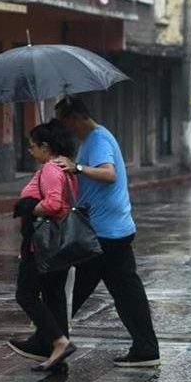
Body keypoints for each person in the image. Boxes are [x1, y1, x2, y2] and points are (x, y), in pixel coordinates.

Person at [54, 96, 160, 367]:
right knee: (127, 292)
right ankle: (146, 350)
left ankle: (50, 340)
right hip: (115, 229)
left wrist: (76, 167)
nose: (66, 129)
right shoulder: (92, 140)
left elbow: (108, 173)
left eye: (65, 122)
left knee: (69, 289)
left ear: (76, 117)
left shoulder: (98, 139)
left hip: (103, 233)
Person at [9, 120, 79, 372]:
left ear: (45, 146)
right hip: (61, 246)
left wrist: (26, 208)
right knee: (54, 297)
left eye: (32, 146)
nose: (30, 151)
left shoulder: (51, 168)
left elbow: (53, 205)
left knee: (26, 295)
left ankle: (58, 341)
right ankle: (54, 351)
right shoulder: (65, 168)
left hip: (41, 247)